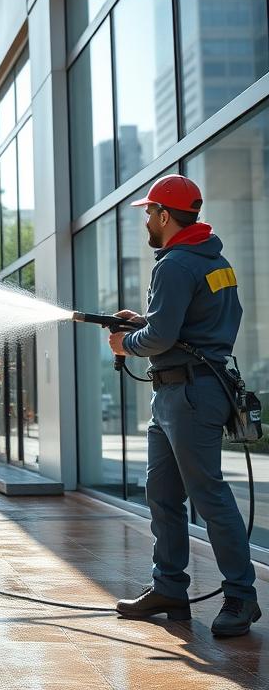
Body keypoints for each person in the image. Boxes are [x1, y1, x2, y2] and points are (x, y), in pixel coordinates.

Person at [109, 174, 260, 637]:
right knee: (162, 493)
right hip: (186, 391)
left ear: (166, 216)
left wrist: (126, 342)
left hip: (188, 395)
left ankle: (241, 597)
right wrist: (147, 321)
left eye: (150, 213)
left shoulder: (174, 264)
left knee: (209, 497)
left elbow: (159, 338)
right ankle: (169, 587)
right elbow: (196, 320)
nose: (147, 222)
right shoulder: (214, 260)